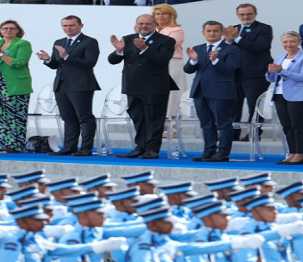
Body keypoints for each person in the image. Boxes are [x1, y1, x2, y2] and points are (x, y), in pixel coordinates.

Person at [108, 14, 177, 160]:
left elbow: (162, 60)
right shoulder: (127, 39)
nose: (144, 26)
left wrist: (145, 48)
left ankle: (152, 150)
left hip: (155, 87)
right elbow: (112, 60)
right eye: (141, 23)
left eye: (147, 24)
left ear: (154, 25)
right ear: (136, 24)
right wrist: (119, 51)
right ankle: (140, 147)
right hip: (133, 85)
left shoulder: (167, 40)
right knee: (138, 118)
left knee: (154, 119)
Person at [37, 15, 100, 157]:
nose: (68, 28)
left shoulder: (89, 42)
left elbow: (89, 63)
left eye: (71, 25)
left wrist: (67, 56)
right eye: (65, 26)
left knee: (85, 117)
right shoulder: (59, 42)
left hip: (81, 85)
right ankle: (69, 147)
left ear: (81, 25)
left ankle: (86, 148)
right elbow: (55, 65)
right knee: (68, 118)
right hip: (61, 85)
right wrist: (47, 59)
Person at [184, 20, 241, 163]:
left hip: (221, 92)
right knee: (206, 124)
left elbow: (230, 70)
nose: (212, 33)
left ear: (221, 33)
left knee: (223, 124)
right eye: (209, 31)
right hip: (200, 91)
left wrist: (216, 61)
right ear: (203, 33)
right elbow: (188, 70)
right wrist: (193, 61)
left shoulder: (231, 49)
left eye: (215, 31)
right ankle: (208, 152)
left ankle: (223, 153)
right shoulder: (198, 48)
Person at [224, 3, 273, 141]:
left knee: (254, 105)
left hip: (255, 75)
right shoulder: (233, 29)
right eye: (242, 14)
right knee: (233, 106)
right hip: (235, 74)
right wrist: (228, 41)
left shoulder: (264, 28)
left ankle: (255, 133)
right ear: (237, 15)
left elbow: (259, 47)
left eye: (249, 14)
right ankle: (233, 134)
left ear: (255, 14)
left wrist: (237, 38)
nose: (245, 17)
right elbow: (226, 50)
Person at [266, 31, 303, 165]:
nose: (289, 44)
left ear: (299, 42)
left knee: (297, 125)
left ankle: (300, 154)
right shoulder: (280, 57)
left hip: (299, 96)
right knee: (286, 126)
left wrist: (281, 71)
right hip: (279, 94)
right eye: (285, 42)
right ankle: (292, 152)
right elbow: (273, 78)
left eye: (292, 41)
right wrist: (270, 72)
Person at [153, 4, 187, 136]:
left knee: (172, 96)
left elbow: (166, 45)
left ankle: (171, 127)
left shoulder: (176, 30)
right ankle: (158, 124)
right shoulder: (154, 30)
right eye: (158, 14)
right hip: (155, 65)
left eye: (164, 14)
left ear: (171, 15)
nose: (160, 17)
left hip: (172, 64)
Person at [0, 20, 32, 153]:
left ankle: (16, 145)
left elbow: (19, 63)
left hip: (16, 85)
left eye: (12, 28)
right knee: (2, 116)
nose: (8, 31)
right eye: (5, 28)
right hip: (1, 84)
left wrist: (1, 54)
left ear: (18, 31)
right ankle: (3, 143)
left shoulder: (23, 44)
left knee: (16, 116)